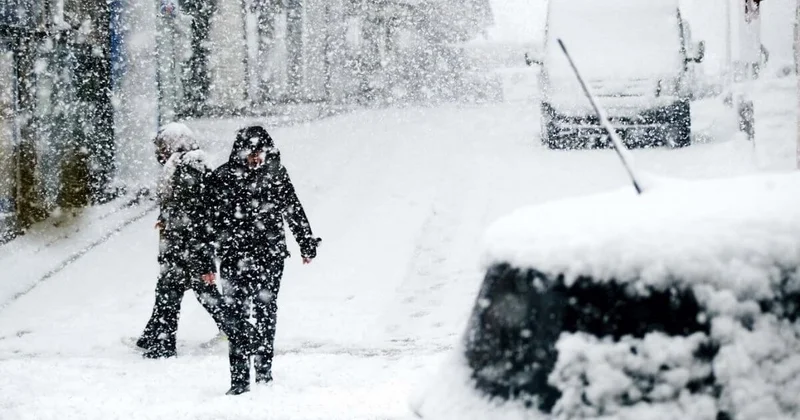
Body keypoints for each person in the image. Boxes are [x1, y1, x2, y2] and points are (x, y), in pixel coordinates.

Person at [211, 125, 320, 395]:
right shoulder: (224, 177)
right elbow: (208, 218)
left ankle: (263, 372)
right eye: (250, 152)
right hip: (234, 257)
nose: (255, 157)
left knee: (265, 312)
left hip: (270, 256)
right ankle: (239, 379)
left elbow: (293, 208)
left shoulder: (276, 174)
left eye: (259, 151)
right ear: (240, 151)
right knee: (235, 314)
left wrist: (306, 243)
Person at [136, 122, 257, 359]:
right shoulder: (181, 167)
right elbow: (186, 210)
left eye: (161, 147)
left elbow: (196, 217)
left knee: (201, 295)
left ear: (173, 144)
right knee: (169, 292)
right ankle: (157, 338)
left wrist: (203, 262)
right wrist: (167, 219)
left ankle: (244, 336)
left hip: (188, 249)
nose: (158, 153)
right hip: (183, 248)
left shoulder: (186, 170)